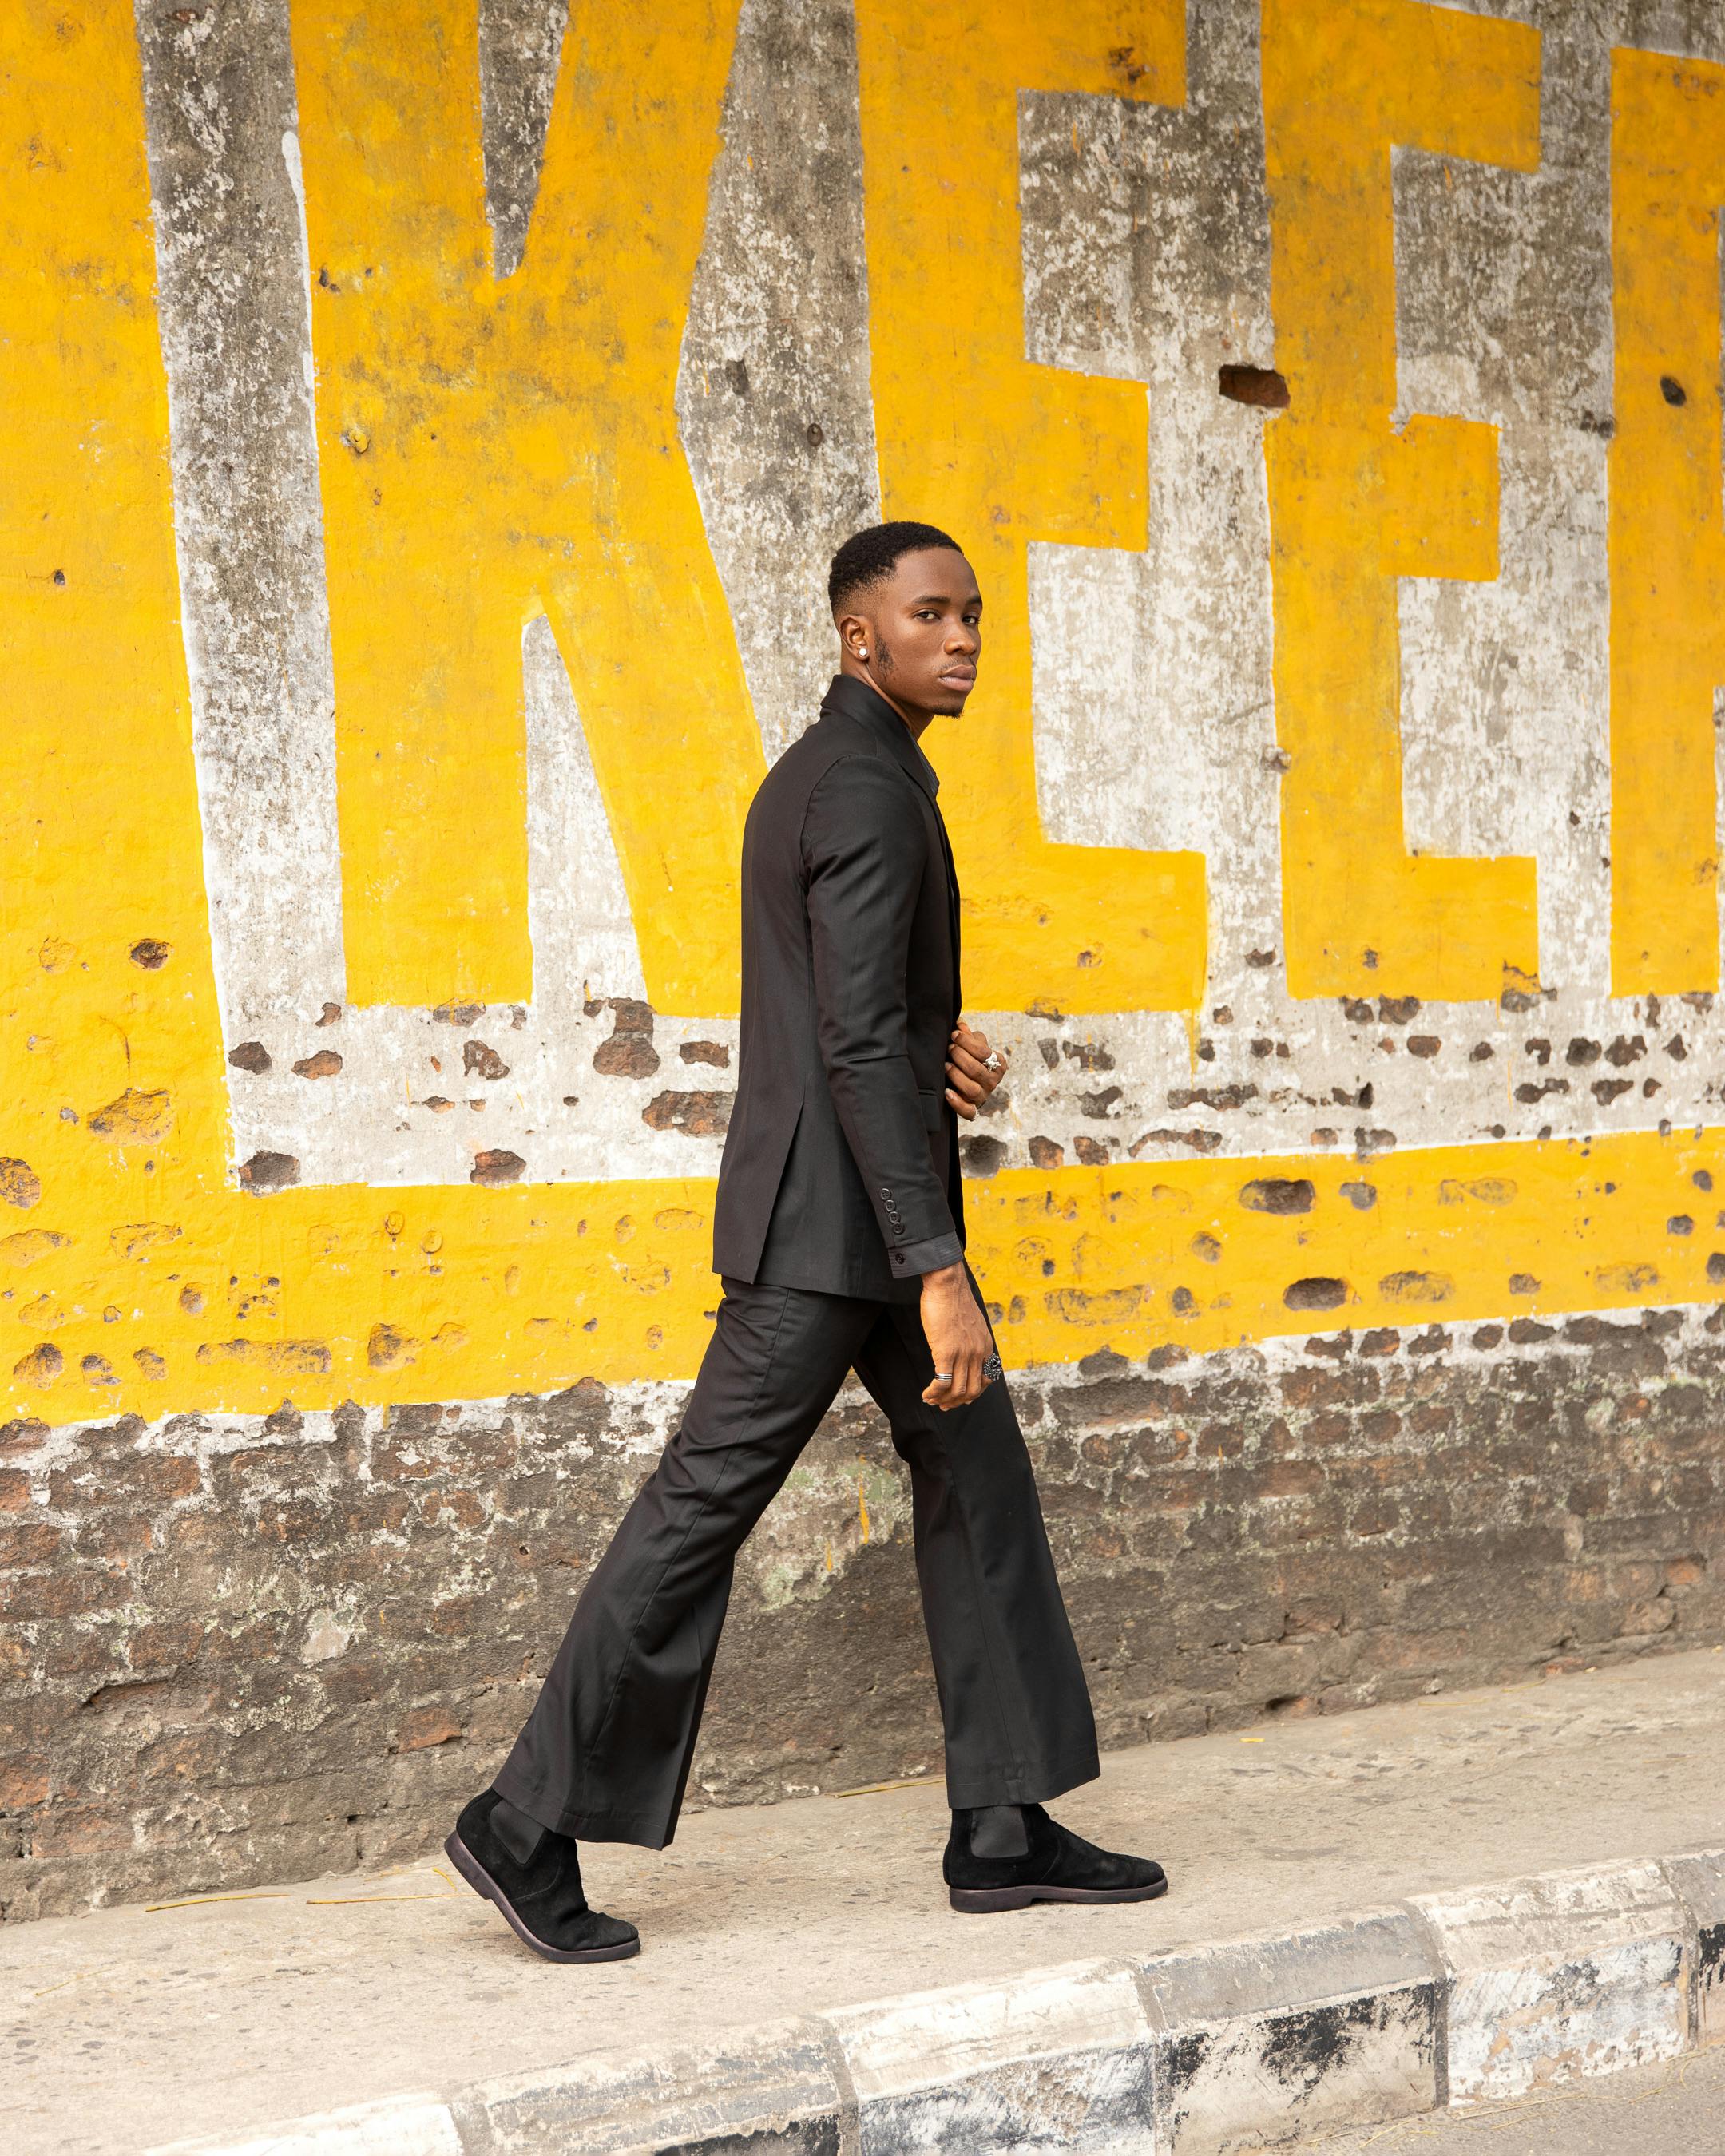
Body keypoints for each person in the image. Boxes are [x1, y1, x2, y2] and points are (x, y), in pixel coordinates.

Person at [446, 521, 1167, 1962]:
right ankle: (522, 1823)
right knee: (699, 1510)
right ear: (861, 636)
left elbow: (857, 1018)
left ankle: (1004, 1824)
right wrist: (940, 1266)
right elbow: (841, 1041)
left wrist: (932, 1055)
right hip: (834, 1238)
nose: (963, 637)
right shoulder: (865, 789)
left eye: (973, 614)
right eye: (932, 615)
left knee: (979, 1481)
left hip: (853, 1214)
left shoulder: (846, 775)